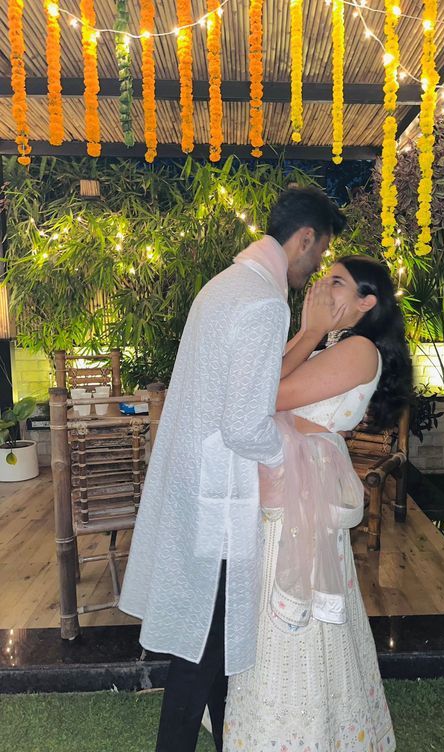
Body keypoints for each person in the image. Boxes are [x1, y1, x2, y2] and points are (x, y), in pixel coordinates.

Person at [118, 186, 347, 752]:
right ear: (305, 239)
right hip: (220, 499)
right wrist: (293, 461)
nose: (317, 268)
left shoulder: (224, 286)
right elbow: (247, 423)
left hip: (198, 486)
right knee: (204, 652)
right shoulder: (265, 302)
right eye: (319, 255)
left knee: (209, 649)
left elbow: (239, 397)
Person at [223, 255, 412, 752]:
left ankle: (305, 735)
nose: (324, 287)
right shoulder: (334, 344)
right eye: (326, 277)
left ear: (367, 302)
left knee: (296, 607)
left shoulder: (358, 349)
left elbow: (267, 397)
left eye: (338, 282)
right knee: (273, 600)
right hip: (287, 487)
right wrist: (309, 333)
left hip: (299, 494)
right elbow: (258, 384)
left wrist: (307, 332)